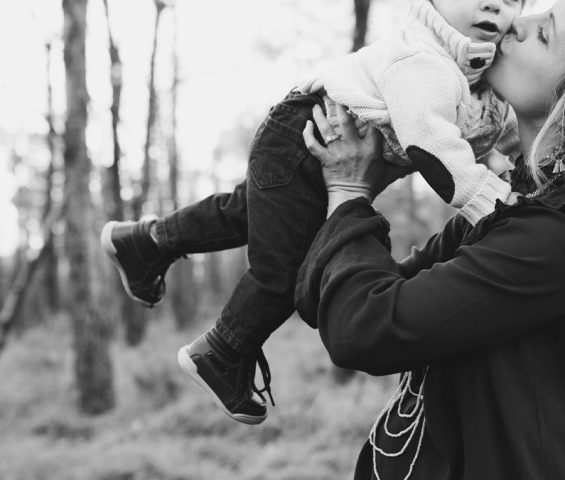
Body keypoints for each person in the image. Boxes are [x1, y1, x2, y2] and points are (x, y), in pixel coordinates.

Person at [295, 0, 565, 477]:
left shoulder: (561, 235)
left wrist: (350, 192)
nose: (517, 21)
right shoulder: (518, 208)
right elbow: (342, 300)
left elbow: (363, 329)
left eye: (544, 33)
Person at [101, 0, 525, 425]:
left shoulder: (479, 80)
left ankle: (145, 242)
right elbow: (432, 144)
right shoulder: (424, 60)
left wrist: (527, 164)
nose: (493, 3)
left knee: (241, 212)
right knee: (284, 267)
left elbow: (509, 131)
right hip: (306, 135)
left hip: (304, 139)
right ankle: (222, 351)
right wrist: (491, 201)